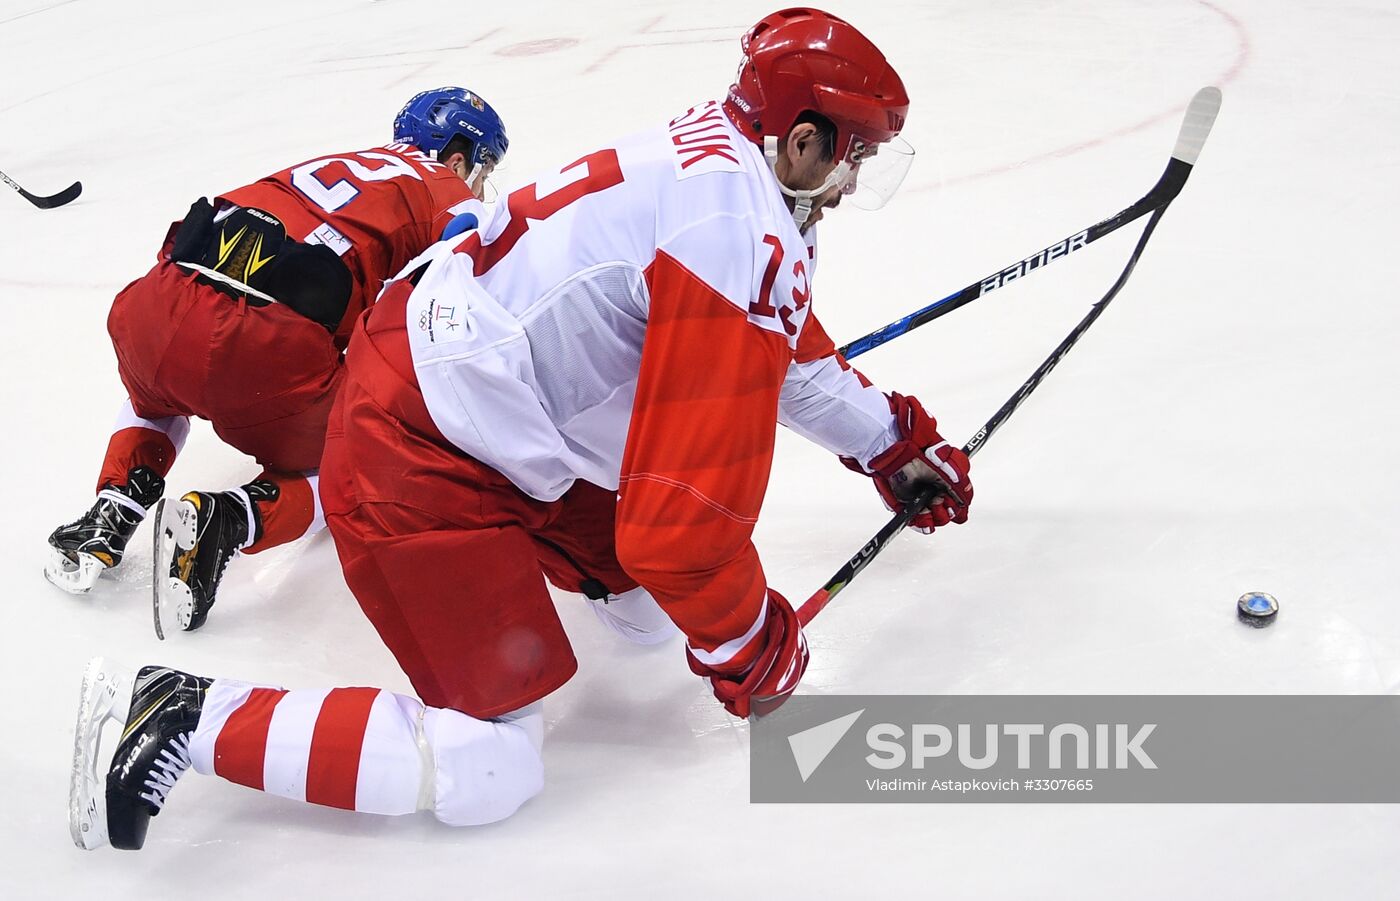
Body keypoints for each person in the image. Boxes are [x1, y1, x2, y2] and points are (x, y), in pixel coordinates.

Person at [68, 8, 973, 851]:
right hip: (417, 442)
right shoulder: (731, 225)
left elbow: (784, 348)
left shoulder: (737, 171)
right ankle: (180, 713)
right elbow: (682, 524)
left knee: (654, 622)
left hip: (493, 409)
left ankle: (506, 558)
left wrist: (887, 440)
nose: (854, 182)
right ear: (803, 138)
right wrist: (746, 637)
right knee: (489, 764)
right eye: (853, 156)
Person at [44, 87, 509, 636]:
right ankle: (232, 519)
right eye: (482, 166)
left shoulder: (341, 160)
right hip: (264, 344)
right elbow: (463, 304)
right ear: (457, 156)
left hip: (157, 305)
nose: (480, 181)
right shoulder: (449, 193)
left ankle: (114, 504)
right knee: (349, 458)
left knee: (156, 388)